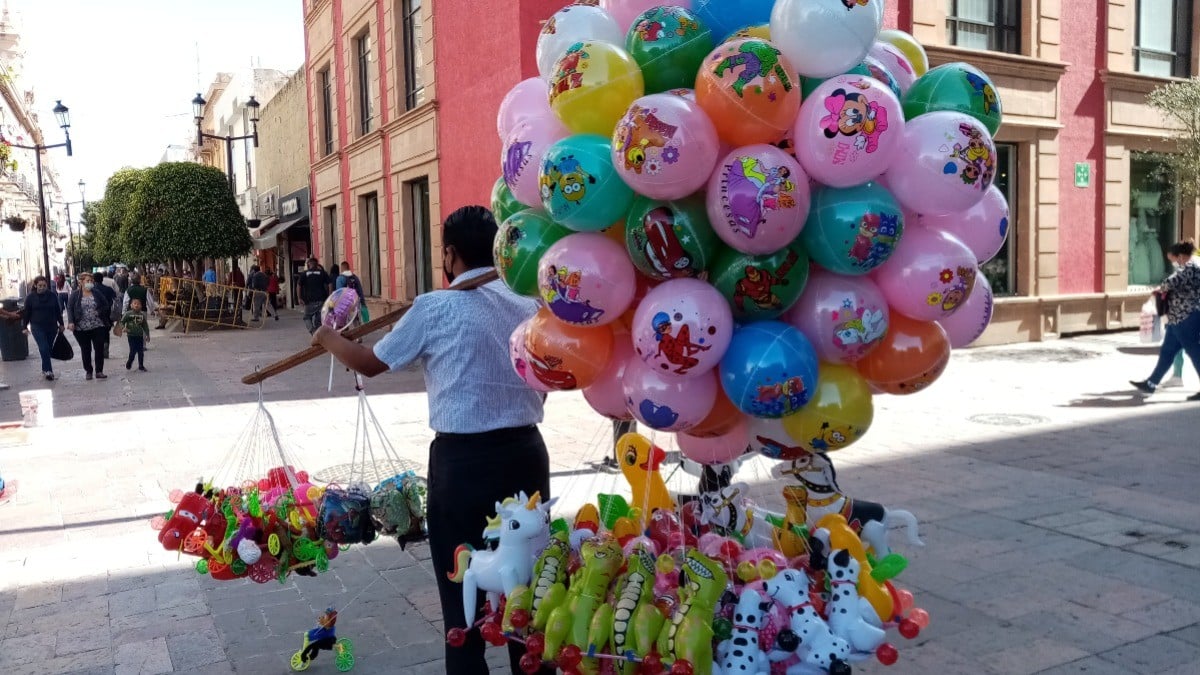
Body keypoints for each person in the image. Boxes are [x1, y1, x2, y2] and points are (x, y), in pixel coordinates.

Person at [311, 205, 551, 675]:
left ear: (449, 254)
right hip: (525, 458)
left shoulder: (433, 307)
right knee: (530, 585)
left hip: (463, 466)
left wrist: (326, 338)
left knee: (462, 593)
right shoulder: (527, 303)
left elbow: (370, 363)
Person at [1131, 240, 1200, 401]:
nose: (1175, 263)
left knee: (1194, 352)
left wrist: (1159, 288)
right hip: (1180, 318)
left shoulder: (1188, 267)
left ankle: (1151, 383)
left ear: (1181, 256)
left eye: (1175, 259)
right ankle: (1151, 383)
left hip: (1185, 317)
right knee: (1167, 352)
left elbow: (1169, 282)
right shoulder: (1194, 266)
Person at [21, 275, 65, 381]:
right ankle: (49, 371)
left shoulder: (52, 296)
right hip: (37, 327)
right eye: (40, 285)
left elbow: (57, 310)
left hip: (52, 326)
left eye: (44, 285)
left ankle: (44, 368)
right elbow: (26, 313)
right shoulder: (30, 297)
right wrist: (24, 327)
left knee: (48, 349)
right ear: (35, 285)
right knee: (43, 347)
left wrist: (61, 324)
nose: (42, 287)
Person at [67, 272, 109, 380]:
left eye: (91, 281)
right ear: (81, 282)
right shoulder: (75, 295)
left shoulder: (96, 293)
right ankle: (88, 371)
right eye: (87, 281)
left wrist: (98, 312)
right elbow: (70, 308)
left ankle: (99, 371)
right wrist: (71, 322)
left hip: (97, 325)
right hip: (81, 328)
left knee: (99, 349)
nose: (90, 283)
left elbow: (106, 305)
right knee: (86, 350)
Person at [298, 257, 332, 334]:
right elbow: (330, 284)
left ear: (308, 264)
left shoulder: (304, 274)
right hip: (321, 300)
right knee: (319, 319)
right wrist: (330, 296)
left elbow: (299, 286)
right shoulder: (323, 273)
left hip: (309, 301)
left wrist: (299, 298)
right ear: (317, 264)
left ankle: (313, 331)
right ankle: (318, 334)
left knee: (307, 317)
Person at [92, 271, 118, 359]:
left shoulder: (92, 290)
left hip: (95, 315)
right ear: (102, 279)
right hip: (107, 314)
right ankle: (106, 347)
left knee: (95, 333)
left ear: (93, 280)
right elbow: (115, 297)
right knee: (106, 332)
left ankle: (98, 350)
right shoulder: (108, 289)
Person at [120, 298, 149, 372]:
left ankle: (141, 366)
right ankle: (129, 362)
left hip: (139, 336)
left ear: (141, 306)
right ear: (131, 305)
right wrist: (123, 328)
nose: (136, 305)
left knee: (140, 352)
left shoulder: (142, 315)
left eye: (138, 304)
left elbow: (145, 326)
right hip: (131, 336)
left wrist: (147, 335)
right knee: (133, 351)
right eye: (135, 303)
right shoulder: (128, 314)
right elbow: (121, 322)